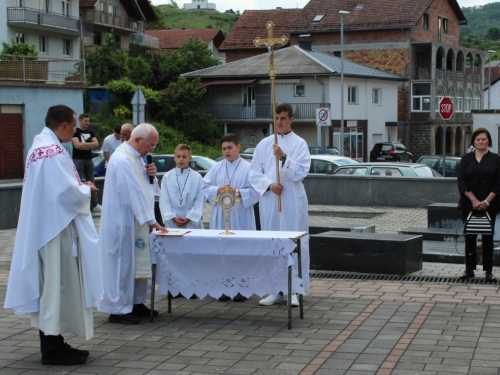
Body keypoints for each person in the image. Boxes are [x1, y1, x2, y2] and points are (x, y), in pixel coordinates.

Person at [4, 105, 103, 366]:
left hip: (47, 226)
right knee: (54, 287)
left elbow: (56, 188)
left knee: (54, 286)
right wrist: (86, 190)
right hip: (53, 231)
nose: (74, 132)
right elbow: (64, 193)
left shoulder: (41, 147)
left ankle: (55, 340)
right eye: (73, 127)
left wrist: (78, 188)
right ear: (63, 126)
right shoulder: (50, 152)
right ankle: (50, 348)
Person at [97, 123, 168, 324]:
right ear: (138, 139)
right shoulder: (121, 159)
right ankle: (118, 309)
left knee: (137, 263)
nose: (151, 150)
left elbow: (146, 190)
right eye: (151, 145)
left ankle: (135, 303)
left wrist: (151, 178)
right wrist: (152, 220)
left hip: (135, 221)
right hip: (123, 223)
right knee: (123, 264)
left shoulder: (136, 158)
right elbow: (132, 194)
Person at [250, 103, 311, 307]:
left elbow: (301, 172)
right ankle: (275, 290)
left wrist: (283, 157)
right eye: (276, 118)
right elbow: (254, 173)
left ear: (291, 119)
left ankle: (293, 289)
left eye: (283, 118)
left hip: (292, 198)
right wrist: (268, 186)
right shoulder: (264, 144)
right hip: (271, 199)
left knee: (291, 242)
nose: (279, 122)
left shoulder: (300, 143)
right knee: (272, 242)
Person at [202, 133, 260, 302]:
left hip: (240, 214)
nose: (227, 151)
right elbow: (205, 186)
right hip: (221, 214)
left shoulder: (249, 168)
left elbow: (257, 191)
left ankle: (242, 288)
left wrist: (238, 192)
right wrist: (218, 190)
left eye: (230, 148)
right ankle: (222, 288)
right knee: (221, 250)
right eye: (224, 148)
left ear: (238, 147)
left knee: (241, 250)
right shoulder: (217, 167)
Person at [457, 127, 500, 281]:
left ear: (489, 141)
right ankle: (469, 270)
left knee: (488, 237)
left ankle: (489, 271)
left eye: (484, 139)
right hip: (469, 204)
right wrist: (474, 200)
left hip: (490, 204)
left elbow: (498, 183)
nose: (481, 141)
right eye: (478, 139)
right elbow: (461, 181)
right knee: (470, 236)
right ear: (473, 142)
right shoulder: (466, 159)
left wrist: (487, 201)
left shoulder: (496, 159)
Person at [160, 144, 205, 230]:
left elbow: (200, 199)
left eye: (184, 156)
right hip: (173, 220)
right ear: (174, 158)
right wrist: (172, 217)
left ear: (190, 158)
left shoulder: (197, 177)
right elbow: (164, 200)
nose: (181, 159)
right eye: (178, 156)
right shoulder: (167, 177)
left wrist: (189, 217)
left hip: (191, 221)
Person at [72, 114, 101, 211]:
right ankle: (78, 204)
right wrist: (89, 145)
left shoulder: (90, 132)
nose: (87, 123)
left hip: (89, 159)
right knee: (78, 181)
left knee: (91, 181)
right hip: (78, 159)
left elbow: (96, 144)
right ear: (80, 120)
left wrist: (83, 144)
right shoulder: (75, 132)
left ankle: (94, 204)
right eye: (85, 121)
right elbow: (77, 146)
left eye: (88, 121)